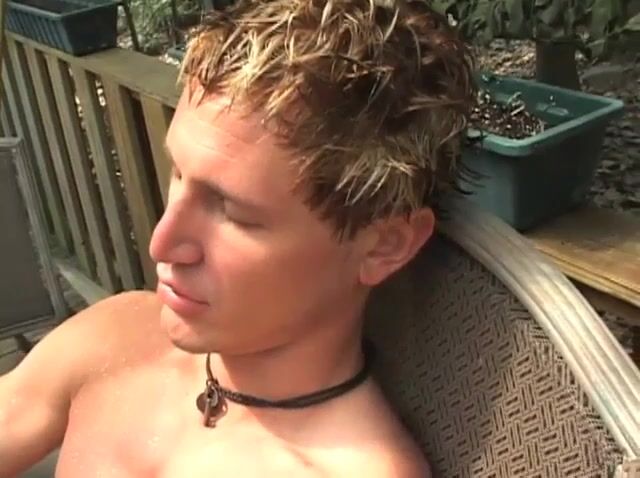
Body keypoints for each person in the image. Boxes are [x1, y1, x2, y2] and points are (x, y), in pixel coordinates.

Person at [0, 0, 475, 475]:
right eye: (177, 173)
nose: (162, 245)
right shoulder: (116, 335)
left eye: (233, 213)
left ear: (383, 245)